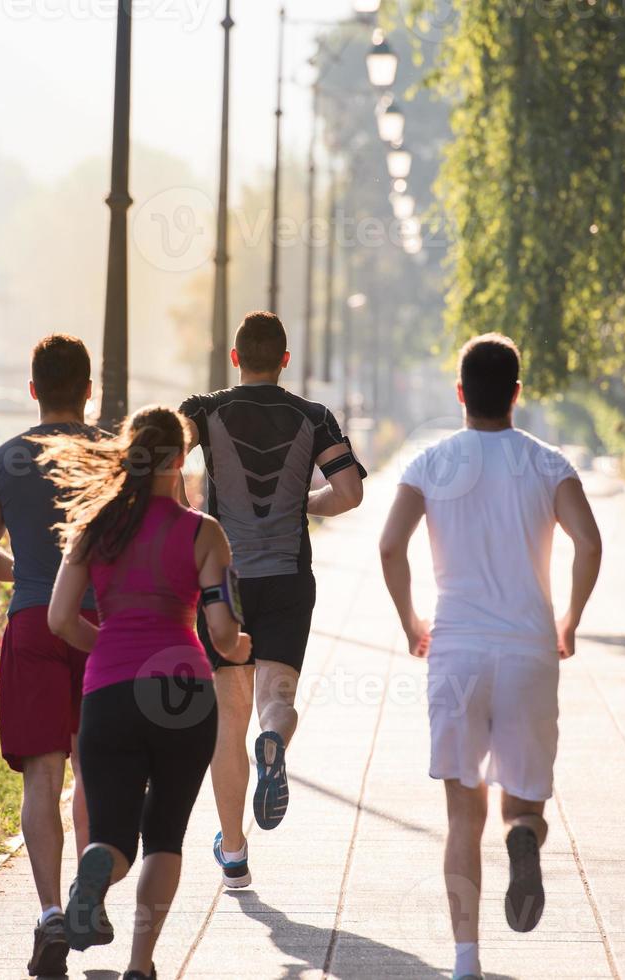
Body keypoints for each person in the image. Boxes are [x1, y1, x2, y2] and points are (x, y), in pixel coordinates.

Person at [378, 333, 602, 980]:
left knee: (460, 810)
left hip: (456, 650)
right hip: (528, 649)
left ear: (458, 395)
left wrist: (409, 623)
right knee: (523, 802)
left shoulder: (431, 463)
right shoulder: (546, 464)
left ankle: (465, 960)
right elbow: (588, 544)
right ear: (515, 395)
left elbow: (390, 548)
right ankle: (523, 838)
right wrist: (569, 621)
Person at [43, 406, 252, 980]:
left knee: (113, 834)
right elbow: (223, 634)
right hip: (183, 692)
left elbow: (61, 619)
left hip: (109, 691)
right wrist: (240, 647)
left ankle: (95, 866)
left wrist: (109, 646)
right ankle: (140, 964)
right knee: (165, 834)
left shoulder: (94, 528)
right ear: (182, 458)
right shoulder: (203, 531)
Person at [179, 311, 366, 889]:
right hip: (288, 577)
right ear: (285, 360)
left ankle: (233, 852)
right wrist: (302, 505)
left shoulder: (201, 412)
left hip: (222, 579)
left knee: (226, 717)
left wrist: (188, 518)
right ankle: (274, 742)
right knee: (276, 696)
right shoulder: (313, 416)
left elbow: (157, 466)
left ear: (235, 357)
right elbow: (351, 492)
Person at [0, 334, 102, 978]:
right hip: (103, 627)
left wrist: (30, 578)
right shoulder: (113, 457)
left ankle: (49, 915)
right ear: (89, 389)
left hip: (32, 622)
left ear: (33, 389)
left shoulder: (3, 459)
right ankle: (87, 895)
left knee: (41, 776)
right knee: (94, 768)